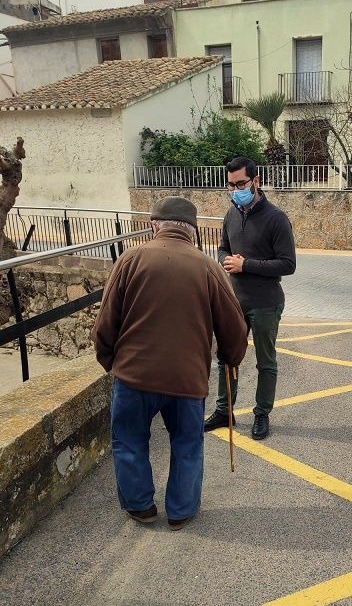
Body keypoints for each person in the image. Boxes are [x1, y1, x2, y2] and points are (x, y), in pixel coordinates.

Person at [92, 197, 247, 530]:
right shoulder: (208, 268)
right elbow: (235, 328)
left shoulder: (130, 260)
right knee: (187, 444)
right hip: (187, 379)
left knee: (129, 441)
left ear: (154, 225)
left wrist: (111, 361)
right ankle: (181, 511)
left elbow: (105, 322)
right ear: (192, 230)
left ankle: (140, 507)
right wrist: (231, 358)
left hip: (134, 375)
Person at [204, 157, 296, 440]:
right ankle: (224, 411)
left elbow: (288, 264)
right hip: (235, 302)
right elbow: (222, 248)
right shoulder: (231, 215)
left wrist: (247, 265)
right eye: (231, 186)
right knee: (227, 357)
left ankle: (262, 414)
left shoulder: (276, 218)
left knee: (265, 362)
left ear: (256, 181)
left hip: (266, 303)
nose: (235, 190)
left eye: (241, 184)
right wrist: (225, 260)